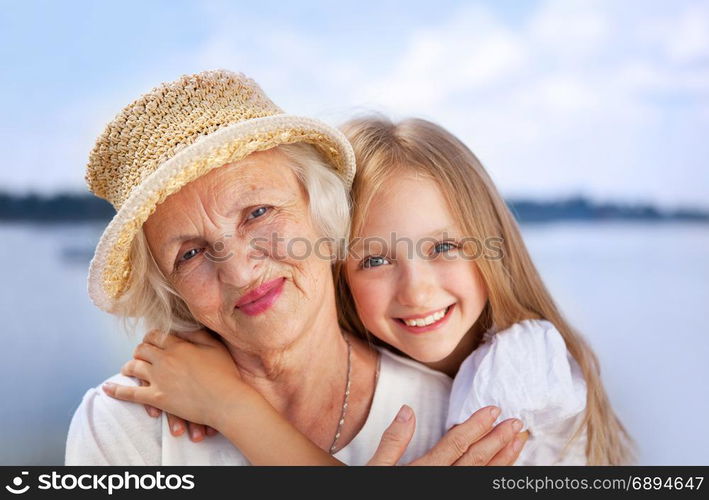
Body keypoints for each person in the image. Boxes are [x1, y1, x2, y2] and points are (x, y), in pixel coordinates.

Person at [105, 116, 634, 465]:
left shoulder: (517, 369)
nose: (417, 290)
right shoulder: (122, 425)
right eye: (375, 260)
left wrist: (231, 405)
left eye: (443, 247)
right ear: (337, 266)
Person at [65, 70, 524, 466]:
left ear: (323, 215)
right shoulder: (120, 423)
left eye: (258, 213)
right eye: (190, 253)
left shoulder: (454, 417)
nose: (240, 272)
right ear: (170, 288)